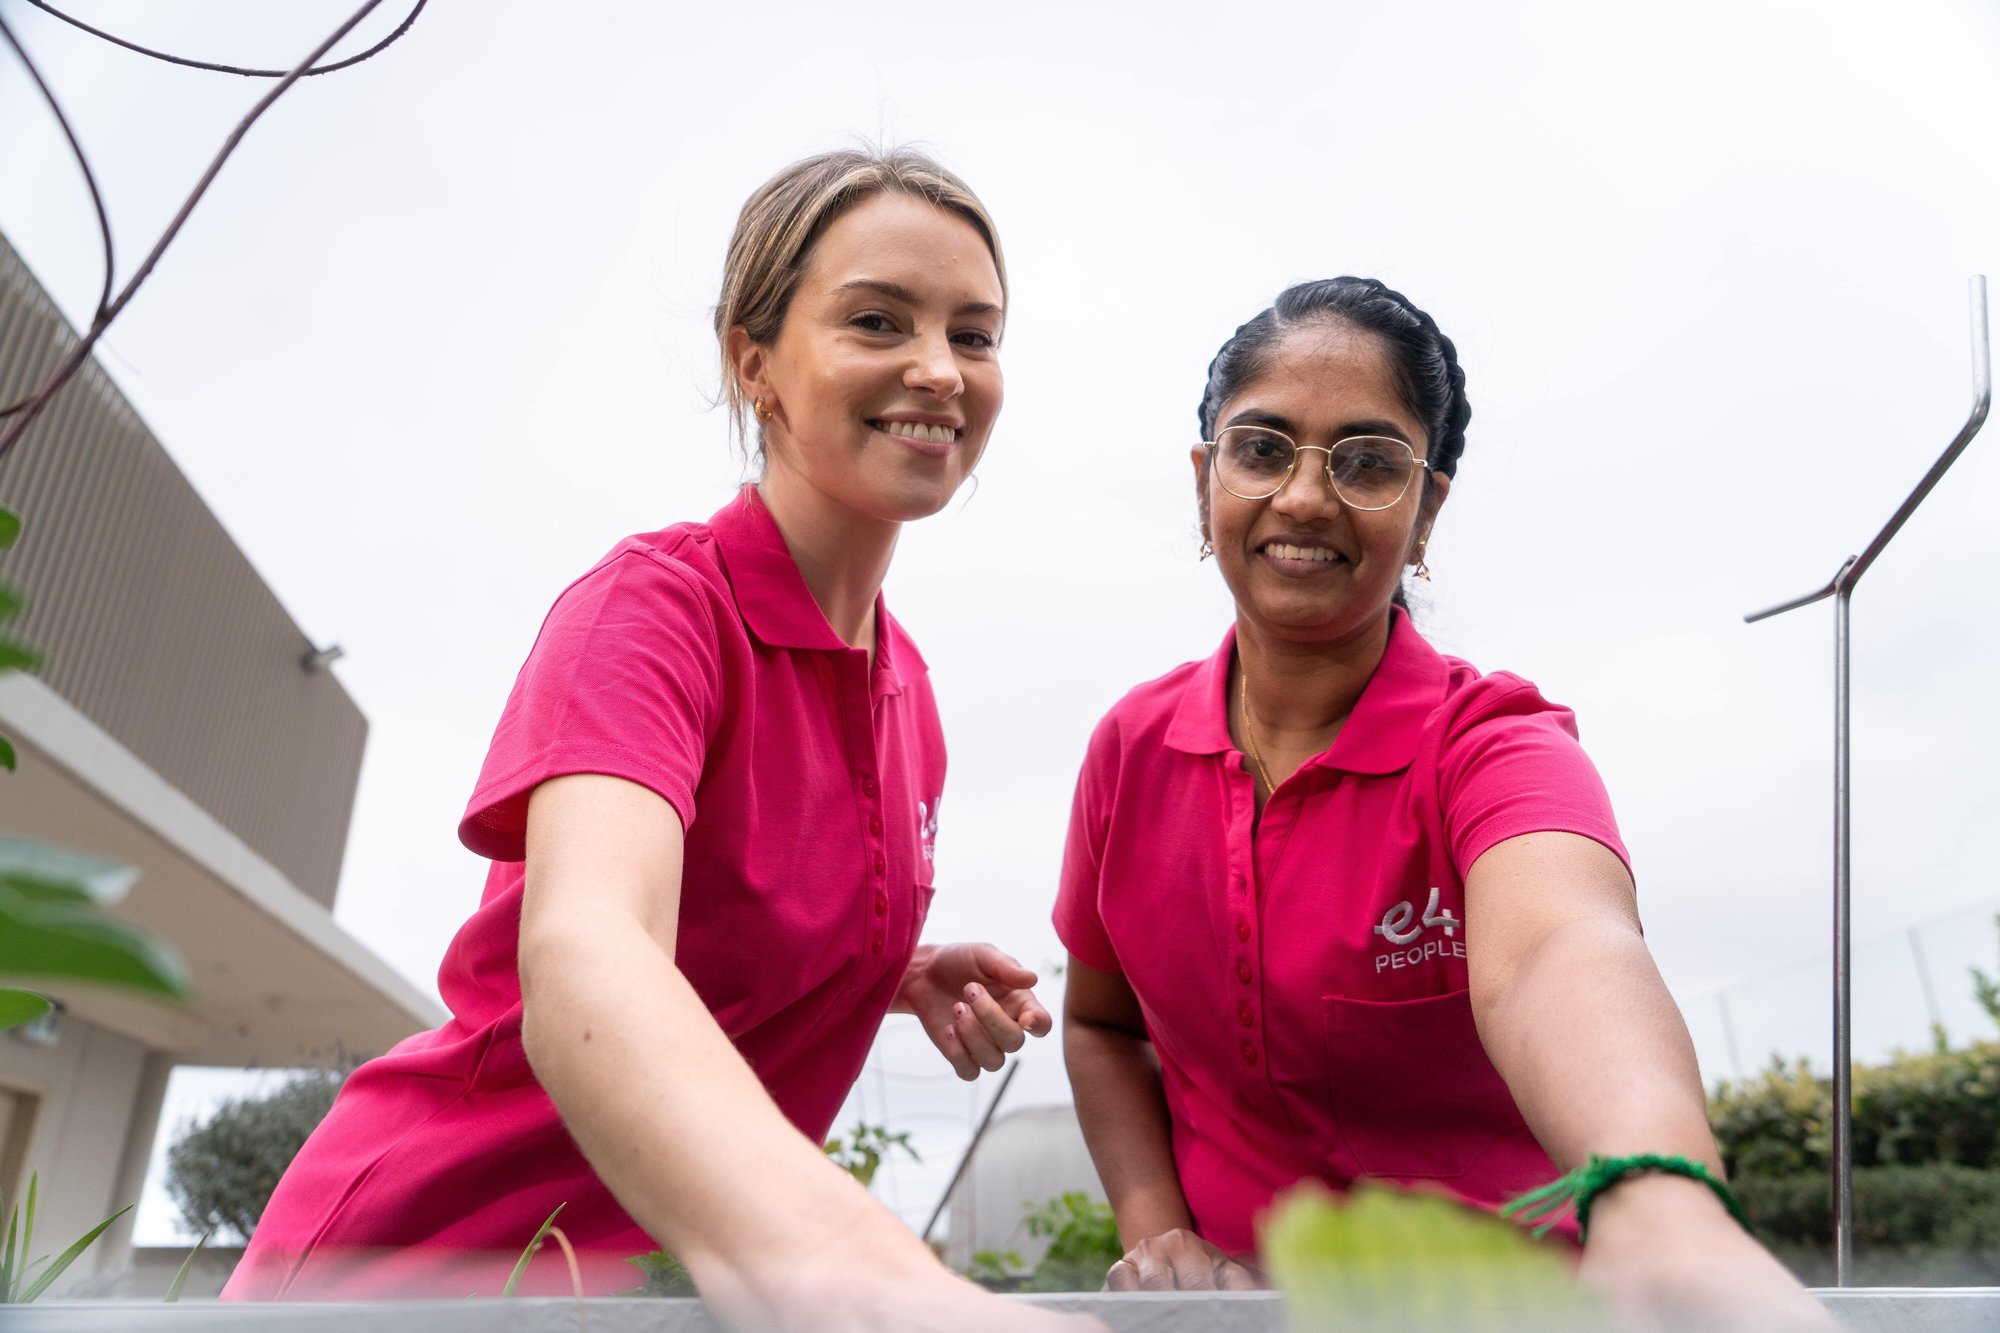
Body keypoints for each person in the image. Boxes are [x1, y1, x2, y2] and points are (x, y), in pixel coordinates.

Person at [225, 148, 1093, 1333]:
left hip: (622, 1299)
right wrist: (886, 1294)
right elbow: (588, 943)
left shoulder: (911, 697)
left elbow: (720, 912)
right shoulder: (652, 609)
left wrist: (886, 971)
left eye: (975, 334)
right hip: (408, 1276)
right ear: (756, 363)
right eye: (877, 320)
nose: (937, 369)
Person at [1056, 278, 1833, 1327]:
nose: (1302, 497)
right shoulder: (1128, 752)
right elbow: (1103, 1024)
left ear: (1425, 510)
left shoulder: (1492, 745)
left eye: (1368, 462)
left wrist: (1659, 1199)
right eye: (1262, 447)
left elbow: (1557, 951)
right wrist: (1157, 1231)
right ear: (1205, 481)